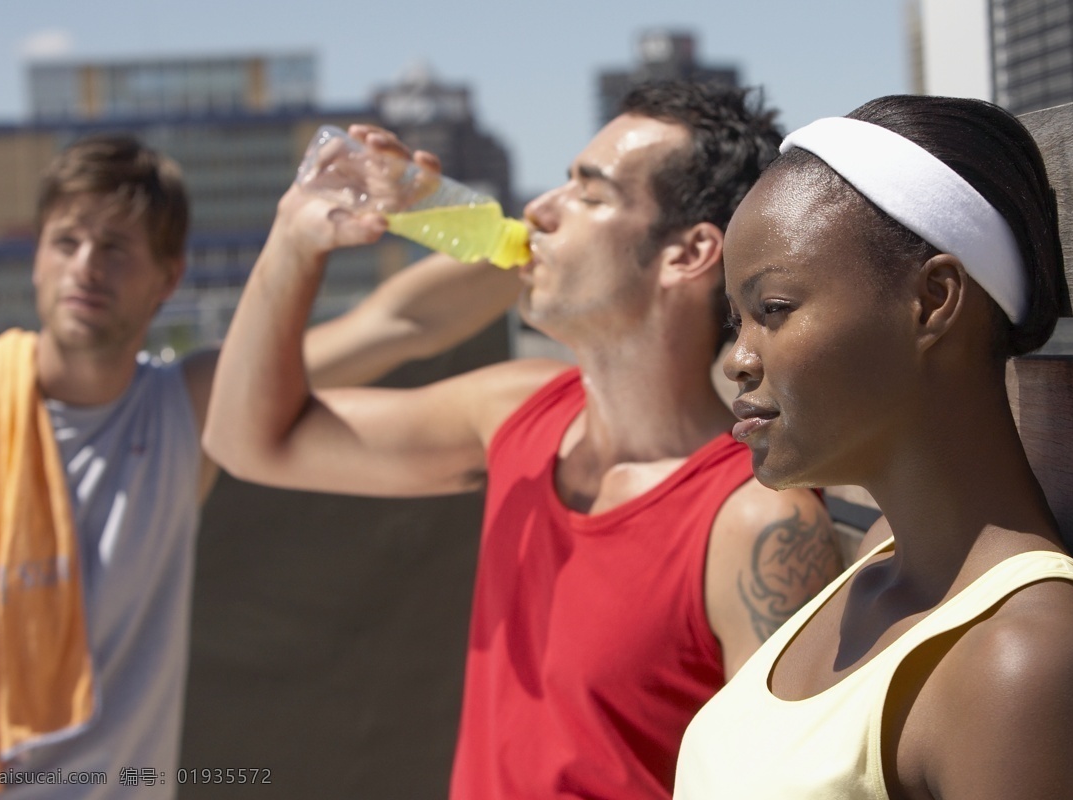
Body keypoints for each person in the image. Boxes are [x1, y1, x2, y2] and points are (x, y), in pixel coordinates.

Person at [204, 81, 843, 800]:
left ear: (689, 252)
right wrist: (294, 241)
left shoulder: (757, 522)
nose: (539, 210)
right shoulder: (516, 409)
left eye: (589, 194)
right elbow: (247, 439)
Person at [0, 135, 523, 798]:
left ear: (169, 277)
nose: (87, 267)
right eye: (66, 242)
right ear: (37, 260)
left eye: (117, 248)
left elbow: (399, 323)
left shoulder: (184, 412)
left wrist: (472, 220)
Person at [673, 95, 1073, 799]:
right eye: (738, 320)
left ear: (934, 299)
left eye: (774, 310)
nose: (739, 358)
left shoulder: (1019, 657)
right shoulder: (878, 560)